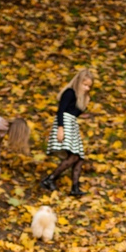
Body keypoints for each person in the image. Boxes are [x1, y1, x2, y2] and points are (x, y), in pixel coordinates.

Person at [41, 69, 93, 197]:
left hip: (72, 124)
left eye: (89, 86)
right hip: (65, 123)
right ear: (78, 82)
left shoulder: (81, 97)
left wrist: (85, 103)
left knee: (79, 157)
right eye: (84, 85)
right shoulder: (69, 93)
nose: (86, 88)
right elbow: (61, 111)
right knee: (74, 155)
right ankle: (50, 178)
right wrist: (60, 128)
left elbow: (76, 113)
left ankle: (74, 187)